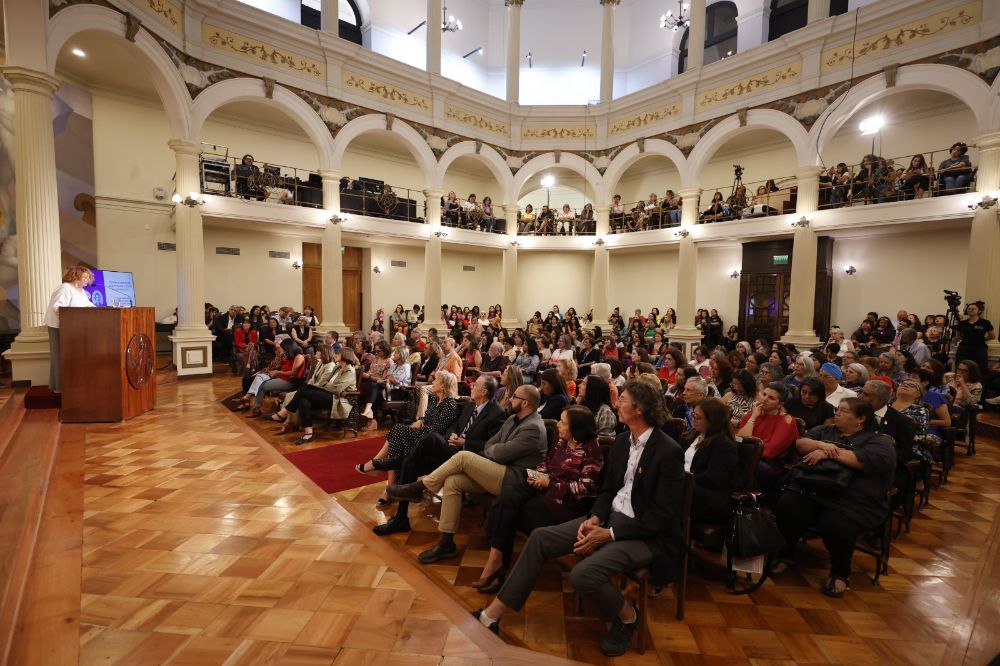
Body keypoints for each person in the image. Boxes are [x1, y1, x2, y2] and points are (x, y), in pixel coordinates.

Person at [470, 381, 684, 657]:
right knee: (540, 538)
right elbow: (608, 490)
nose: (617, 403)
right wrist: (595, 517)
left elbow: (662, 515)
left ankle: (629, 617)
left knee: (583, 574)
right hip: (609, 519)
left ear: (639, 409)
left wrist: (608, 534)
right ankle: (492, 615)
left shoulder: (668, 451)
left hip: (642, 533)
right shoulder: (622, 441)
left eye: (624, 400)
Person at [386, 385, 548, 563]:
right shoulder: (513, 419)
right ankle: (446, 543)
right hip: (497, 469)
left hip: (513, 479)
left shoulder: (533, 428)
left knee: (463, 457)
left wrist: (493, 450)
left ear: (525, 403)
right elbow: (490, 445)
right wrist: (494, 450)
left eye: (514, 396)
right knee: (453, 481)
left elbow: (498, 452)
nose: (510, 399)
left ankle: (420, 487)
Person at [472, 405, 604, 592]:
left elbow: (586, 486)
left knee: (510, 512)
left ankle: (497, 565)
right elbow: (546, 463)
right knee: (505, 498)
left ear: (577, 429)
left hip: (564, 502)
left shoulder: (592, 448)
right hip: (542, 487)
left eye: (563, 423)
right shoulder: (562, 441)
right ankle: (496, 562)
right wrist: (538, 477)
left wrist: (548, 484)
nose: (558, 425)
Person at [772, 399, 895, 598]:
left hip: (851, 497)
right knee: (788, 505)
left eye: (843, 411)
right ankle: (786, 556)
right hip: (814, 488)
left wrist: (827, 453)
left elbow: (858, 460)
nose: (836, 413)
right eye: (837, 409)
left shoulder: (878, 441)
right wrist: (821, 445)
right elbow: (801, 443)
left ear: (861, 419)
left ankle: (840, 572)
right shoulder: (827, 430)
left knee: (836, 523)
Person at [373, 375, 506, 536]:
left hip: (468, 458)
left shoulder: (497, 413)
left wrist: (464, 442)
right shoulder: (471, 406)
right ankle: (401, 519)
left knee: (431, 438)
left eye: (475, 385)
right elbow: (455, 426)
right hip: (450, 450)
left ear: (484, 391)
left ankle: (396, 462)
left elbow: (491, 445)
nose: (471, 386)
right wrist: (453, 436)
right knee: (409, 463)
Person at [357, 370, 460, 506]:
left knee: (398, 430)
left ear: (443, 386)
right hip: (423, 434)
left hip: (431, 443)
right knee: (397, 439)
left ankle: (379, 468)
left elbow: (437, 432)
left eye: (435, 380)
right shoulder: (435, 399)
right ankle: (388, 486)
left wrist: (421, 426)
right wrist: (420, 421)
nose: (432, 382)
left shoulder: (449, 404)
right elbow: (427, 418)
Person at [736, 382, 799, 494]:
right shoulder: (753, 414)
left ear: (780, 404)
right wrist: (754, 417)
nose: (764, 399)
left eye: (771, 398)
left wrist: (743, 450)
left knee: (737, 461)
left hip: (768, 465)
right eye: (764, 394)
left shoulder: (787, 421)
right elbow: (739, 439)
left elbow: (769, 451)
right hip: (746, 456)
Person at [686, 398, 740, 525]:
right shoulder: (693, 435)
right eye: (693, 414)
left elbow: (715, 477)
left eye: (698, 417)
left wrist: (685, 480)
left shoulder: (724, 445)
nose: (693, 419)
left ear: (712, 421)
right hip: (688, 486)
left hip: (709, 496)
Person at [44, 266, 96, 392]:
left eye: (88, 277)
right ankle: (60, 388)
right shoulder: (65, 288)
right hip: (59, 327)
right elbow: (58, 307)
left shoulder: (81, 291)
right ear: (75, 276)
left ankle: (71, 385)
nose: (87, 279)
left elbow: (88, 305)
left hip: (73, 329)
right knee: (59, 356)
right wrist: (72, 318)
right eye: (84, 277)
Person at [954, 302, 994, 373]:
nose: (970, 310)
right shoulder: (962, 323)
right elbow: (958, 336)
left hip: (979, 349)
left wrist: (982, 339)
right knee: (960, 368)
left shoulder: (985, 322)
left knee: (981, 369)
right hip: (964, 349)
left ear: (979, 311)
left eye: (973, 309)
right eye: (969, 309)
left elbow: (992, 336)